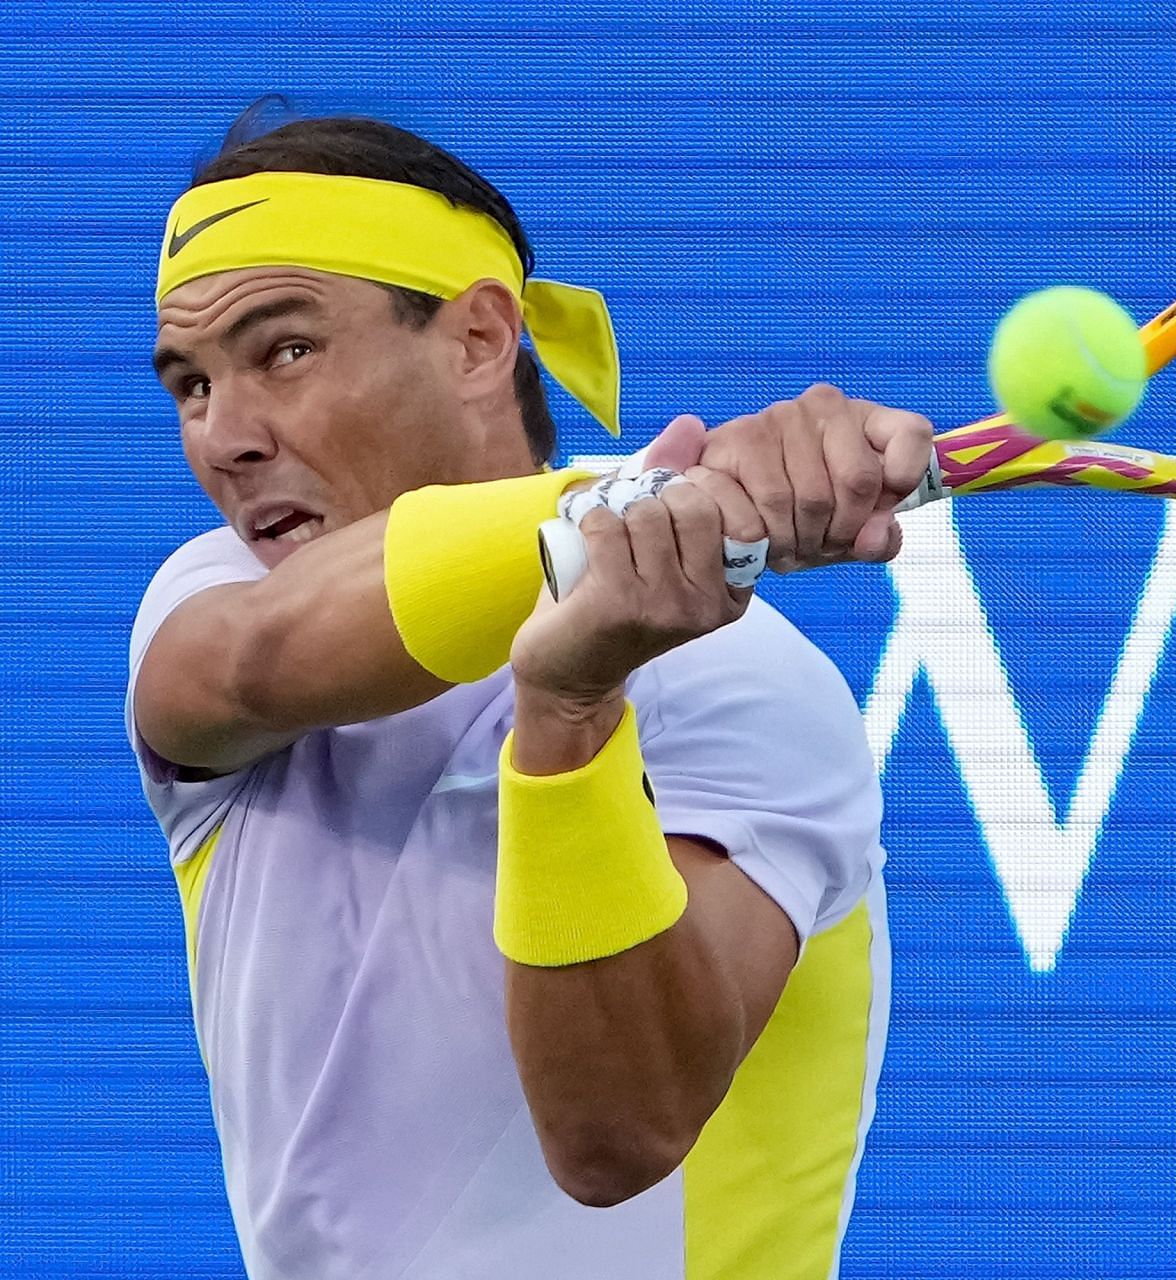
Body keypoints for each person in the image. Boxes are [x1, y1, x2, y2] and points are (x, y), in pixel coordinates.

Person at [127, 107, 932, 1280]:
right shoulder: (217, 600)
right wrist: (642, 497)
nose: (227, 436)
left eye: (285, 351)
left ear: (476, 339)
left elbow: (618, 1138)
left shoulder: (740, 680)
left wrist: (568, 714)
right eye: (191, 385)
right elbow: (253, 659)